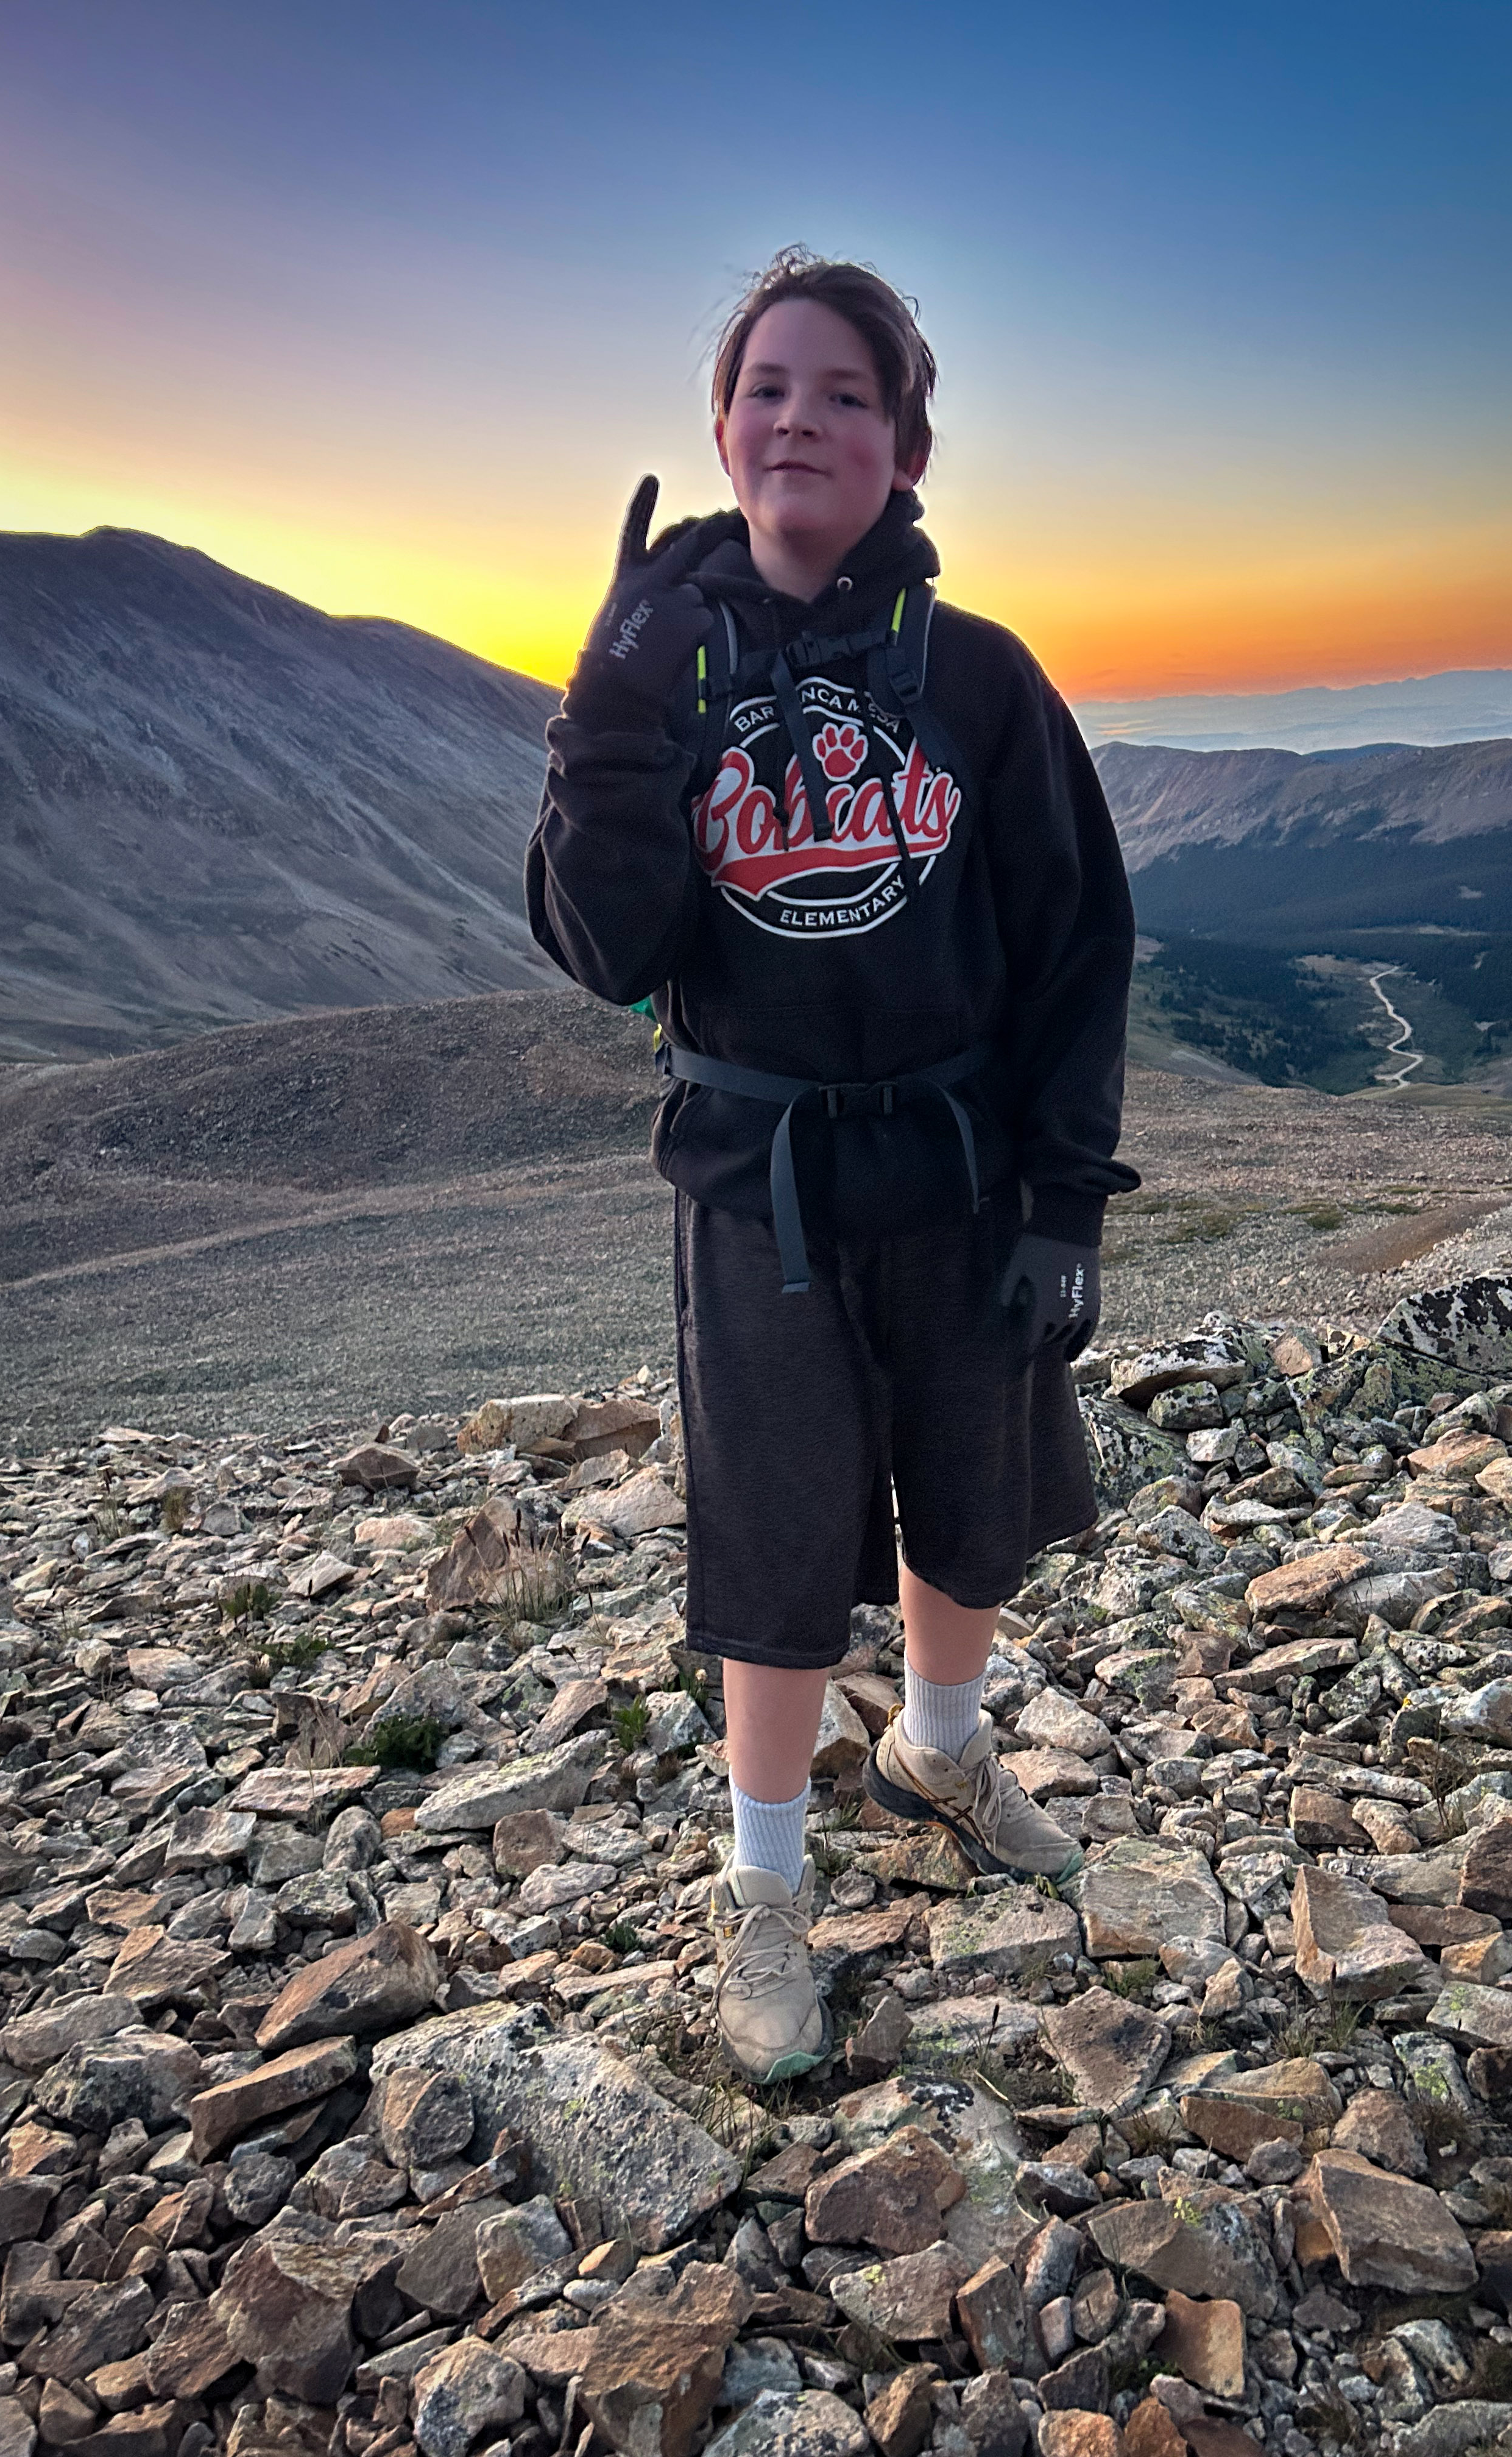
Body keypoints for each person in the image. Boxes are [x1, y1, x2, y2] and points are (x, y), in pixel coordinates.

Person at [526, 248, 1139, 2082]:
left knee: (975, 1490)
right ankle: (769, 1889)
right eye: (769, 388)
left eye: (848, 395)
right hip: (758, 1192)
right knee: (779, 1537)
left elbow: (1078, 948)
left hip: (962, 1172)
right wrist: (608, 720)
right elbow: (605, 948)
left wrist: (1063, 1196)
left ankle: (940, 1753)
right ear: (722, 430)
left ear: (907, 450)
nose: (803, 419)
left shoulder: (982, 678)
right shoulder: (667, 674)